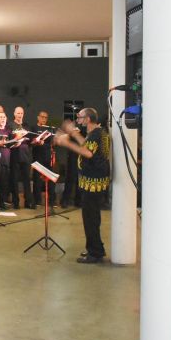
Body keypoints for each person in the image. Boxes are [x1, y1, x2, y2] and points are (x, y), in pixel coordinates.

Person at [54, 107, 110, 263]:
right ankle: (96, 248)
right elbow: (87, 145)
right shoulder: (99, 132)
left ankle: (95, 252)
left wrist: (66, 143)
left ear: (88, 119)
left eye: (80, 117)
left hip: (93, 182)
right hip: (96, 181)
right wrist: (73, 133)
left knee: (90, 218)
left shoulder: (96, 134)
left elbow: (87, 153)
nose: (78, 120)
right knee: (93, 217)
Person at [9, 106, 34, 208]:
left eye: (21, 113)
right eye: (18, 113)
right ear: (14, 114)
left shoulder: (26, 126)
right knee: (14, 179)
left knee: (27, 179)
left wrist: (36, 141)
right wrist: (16, 138)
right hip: (14, 154)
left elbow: (30, 140)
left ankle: (29, 202)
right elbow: (8, 140)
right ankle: (16, 202)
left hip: (26, 155)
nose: (20, 115)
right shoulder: (10, 125)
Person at [31, 110, 56, 209]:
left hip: (47, 156)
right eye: (42, 117)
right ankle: (37, 200)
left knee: (50, 178)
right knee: (37, 179)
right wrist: (37, 141)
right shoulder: (34, 128)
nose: (44, 119)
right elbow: (31, 142)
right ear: (38, 117)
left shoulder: (49, 129)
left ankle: (52, 201)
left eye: (46, 117)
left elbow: (52, 143)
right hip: (37, 156)